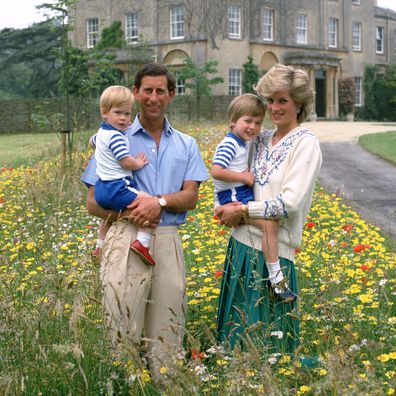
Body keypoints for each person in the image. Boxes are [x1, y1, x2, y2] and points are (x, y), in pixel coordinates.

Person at [81, 63, 209, 379]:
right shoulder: (112, 136)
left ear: (171, 95)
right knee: (122, 324)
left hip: (166, 239)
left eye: (160, 91)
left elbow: (190, 197)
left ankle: (165, 383)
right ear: (136, 92)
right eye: (147, 90)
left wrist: (159, 202)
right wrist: (132, 212)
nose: (153, 97)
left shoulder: (186, 144)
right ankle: (127, 383)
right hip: (125, 235)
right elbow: (93, 201)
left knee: (168, 325)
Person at [215, 64, 322, 353]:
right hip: (240, 246)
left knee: (269, 350)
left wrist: (242, 211)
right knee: (235, 343)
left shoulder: (305, 144)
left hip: (276, 253)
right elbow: (230, 173)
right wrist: (223, 205)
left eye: (282, 100)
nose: (274, 108)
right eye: (270, 100)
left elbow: (289, 203)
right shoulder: (259, 139)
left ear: (298, 104)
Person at [211, 93, 296, 303]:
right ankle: (276, 280)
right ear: (232, 121)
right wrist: (243, 177)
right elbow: (216, 171)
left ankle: (275, 275)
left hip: (239, 194)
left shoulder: (243, 143)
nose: (253, 127)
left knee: (270, 225)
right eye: (247, 121)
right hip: (234, 196)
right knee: (268, 225)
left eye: (258, 123)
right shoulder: (229, 144)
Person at [90, 85, 156, 266]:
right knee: (149, 203)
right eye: (118, 113)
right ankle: (142, 242)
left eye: (127, 114)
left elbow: (92, 142)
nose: (123, 118)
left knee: (108, 218)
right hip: (117, 186)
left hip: (101, 189)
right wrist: (138, 163)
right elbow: (125, 161)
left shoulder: (101, 133)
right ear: (105, 113)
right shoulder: (116, 137)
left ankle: (100, 245)